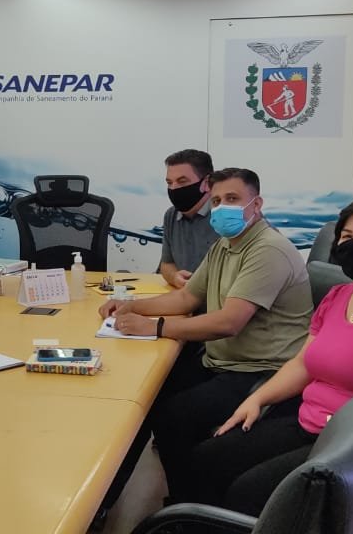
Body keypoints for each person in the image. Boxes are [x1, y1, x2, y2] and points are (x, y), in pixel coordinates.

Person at [191, 196, 353, 515]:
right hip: (309, 421)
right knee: (207, 460)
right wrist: (257, 399)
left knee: (248, 492)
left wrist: (352, 454)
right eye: (347, 236)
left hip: (350, 441)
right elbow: (303, 363)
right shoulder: (339, 296)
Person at [98, 167, 313, 505]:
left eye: (232, 199)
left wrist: (154, 327)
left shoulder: (268, 250)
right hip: (223, 360)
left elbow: (229, 322)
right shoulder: (225, 245)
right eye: (216, 200)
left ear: (256, 204)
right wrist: (131, 306)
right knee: (145, 395)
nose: (222, 207)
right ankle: (109, 500)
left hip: (262, 370)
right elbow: (187, 297)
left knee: (173, 418)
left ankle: (188, 509)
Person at [159, 149, 219, 290]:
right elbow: (166, 264)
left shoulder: (226, 215)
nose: (174, 189)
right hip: (185, 297)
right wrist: (174, 277)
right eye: (169, 182)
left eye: (182, 181)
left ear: (207, 183)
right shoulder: (171, 215)